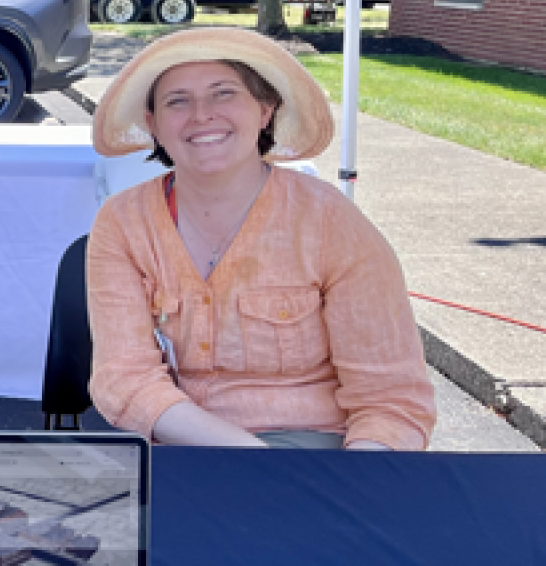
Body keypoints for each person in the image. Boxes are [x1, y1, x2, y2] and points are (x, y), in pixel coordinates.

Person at [86, 28, 436, 450]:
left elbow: (390, 399)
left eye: (223, 94)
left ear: (266, 109)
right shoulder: (122, 222)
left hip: (319, 453)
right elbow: (125, 378)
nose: (201, 115)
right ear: (153, 125)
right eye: (177, 101)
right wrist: (253, 459)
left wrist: (350, 485)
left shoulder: (330, 221)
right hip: (180, 447)